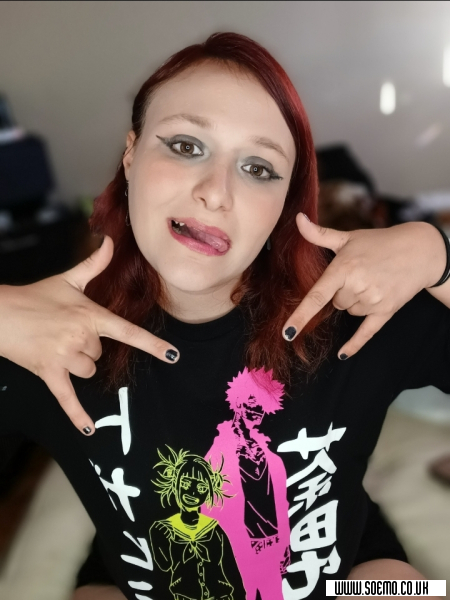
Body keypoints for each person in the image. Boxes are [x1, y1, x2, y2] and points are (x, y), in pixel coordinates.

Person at [0, 32, 448, 600]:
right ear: (131, 155)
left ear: (284, 204)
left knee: (410, 592)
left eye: (258, 167)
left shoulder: (346, 316)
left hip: (348, 572)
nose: (216, 193)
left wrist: (439, 257)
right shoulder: (54, 342)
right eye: (186, 145)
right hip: (140, 576)